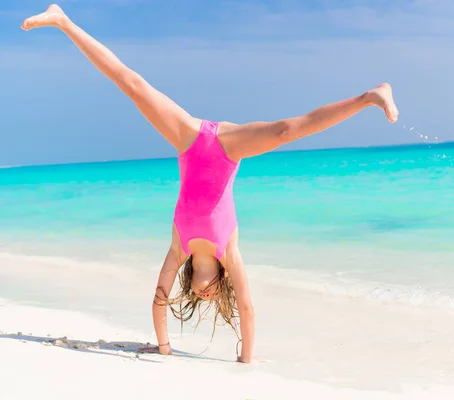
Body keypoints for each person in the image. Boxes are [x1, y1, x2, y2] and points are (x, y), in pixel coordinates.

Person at [21, 4, 399, 363]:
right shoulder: (229, 251)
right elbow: (248, 308)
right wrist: (247, 359)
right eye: (213, 296)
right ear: (222, 286)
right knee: (285, 130)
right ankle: (370, 96)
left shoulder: (178, 248)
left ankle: (62, 21)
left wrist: (164, 348)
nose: (204, 295)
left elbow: (158, 299)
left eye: (198, 296)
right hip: (226, 146)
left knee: (133, 85)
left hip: (190, 139)